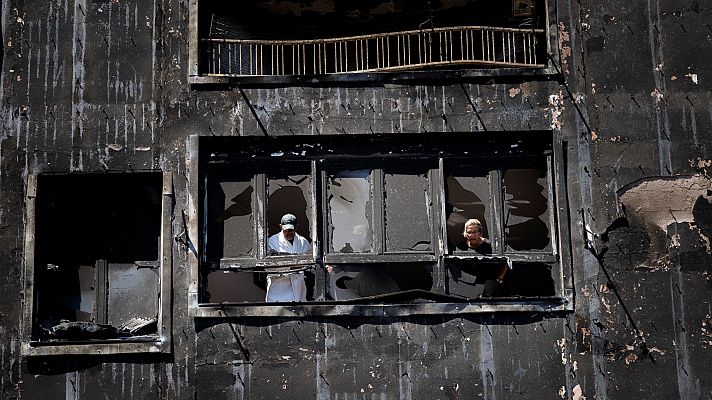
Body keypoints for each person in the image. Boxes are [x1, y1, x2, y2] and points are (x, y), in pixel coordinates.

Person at [265, 214, 311, 302]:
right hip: (278, 291)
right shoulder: (272, 242)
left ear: (296, 227)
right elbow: (269, 267)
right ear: (280, 227)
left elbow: (311, 264)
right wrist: (292, 266)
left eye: (291, 230)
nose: (289, 233)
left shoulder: (303, 242)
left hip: (299, 290)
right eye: (286, 230)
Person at [462, 218, 507, 297]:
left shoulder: (490, 246)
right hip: (468, 284)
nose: (472, 235)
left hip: (489, 282)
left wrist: (499, 278)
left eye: (475, 232)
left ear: (480, 232)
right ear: (465, 233)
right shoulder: (461, 247)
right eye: (469, 232)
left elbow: (505, 261)